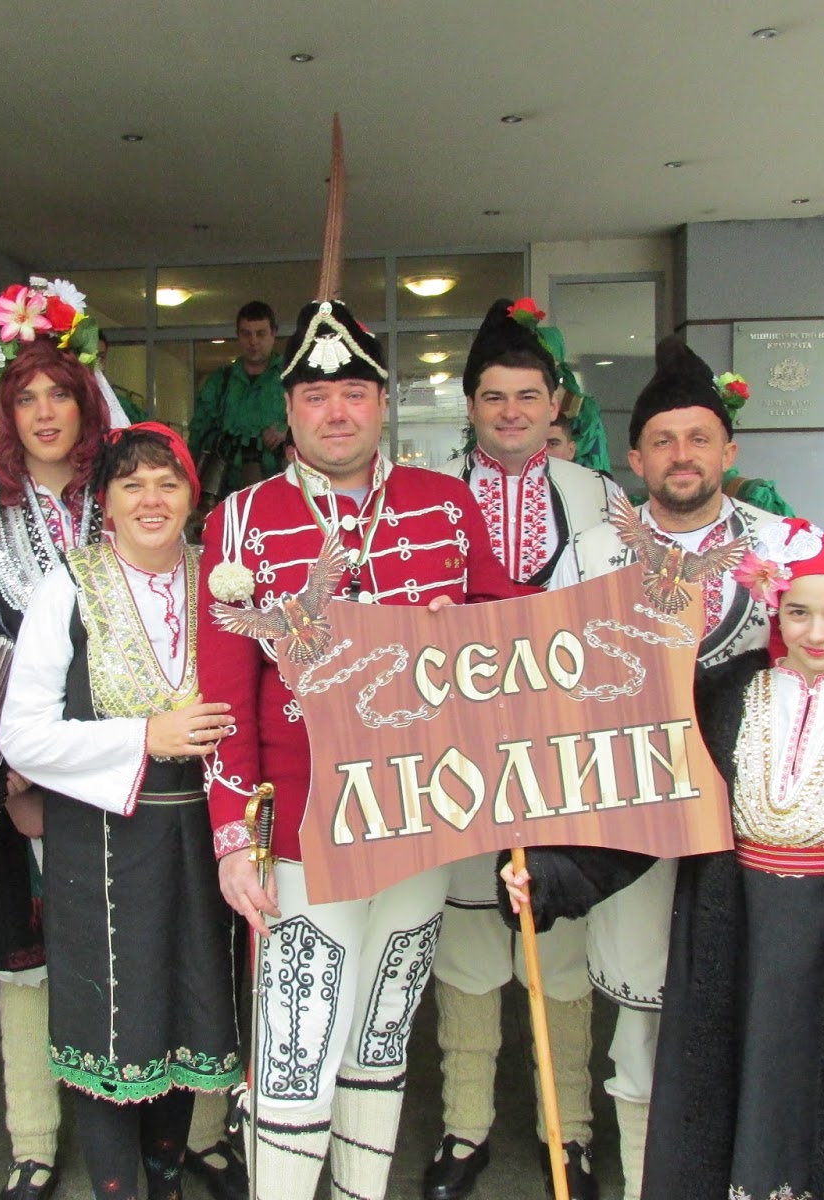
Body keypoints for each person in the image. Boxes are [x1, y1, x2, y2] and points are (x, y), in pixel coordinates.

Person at [546, 336, 824, 1200]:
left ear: (729, 451)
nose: (682, 455)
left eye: (699, 438)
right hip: (638, 810)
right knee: (648, 1035)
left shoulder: (785, 545)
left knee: (755, 1035)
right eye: (663, 441)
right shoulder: (592, 550)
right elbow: (543, 668)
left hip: (756, 833)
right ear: (635, 458)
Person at [499, 525, 824, 1200]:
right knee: (729, 1120)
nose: (817, 632)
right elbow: (651, 812)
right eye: (799, 611)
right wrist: (551, 876)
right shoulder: (719, 698)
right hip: (736, 947)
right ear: (775, 609)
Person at [199, 296, 532, 1200]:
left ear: (383, 403)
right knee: (295, 1053)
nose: (336, 412)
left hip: (424, 821)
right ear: (289, 410)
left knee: (381, 1042)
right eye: (316, 397)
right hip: (301, 833)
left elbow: (515, 635)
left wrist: (468, 626)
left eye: (353, 393)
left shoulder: (448, 505)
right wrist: (233, 839)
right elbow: (224, 697)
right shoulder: (239, 520)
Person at [0, 423, 241, 1200]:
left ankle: (165, 1182)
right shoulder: (67, 586)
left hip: (203, 837)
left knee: (187, 1013)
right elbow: (21, 736)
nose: (150, 499)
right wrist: (146, 736)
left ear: (192, 497)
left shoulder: (223, 582)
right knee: (112, 1024)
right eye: (131, 484)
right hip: (101, 840)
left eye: (168, 483)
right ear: (103, 500)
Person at [428, 299, 624, 1200]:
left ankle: (566, 1131)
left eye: (528, 396)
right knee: (468, 937)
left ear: (557, 407)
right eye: (495, 396)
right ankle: (463, 1128)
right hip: (455, 752)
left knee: (561, 941)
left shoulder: (601, 499)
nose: (512, 412)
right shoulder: (425, 495)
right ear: (470, 405)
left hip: (562, 754)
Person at [0, 277, 126, 1200]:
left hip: (134, 770)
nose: (46, 412)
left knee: (146, 943)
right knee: (27, 962)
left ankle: (184, 1126)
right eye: (26, 398)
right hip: (29, 786)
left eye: (61, 392)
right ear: (4, 415)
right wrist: (12, 785)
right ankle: (33, 1138)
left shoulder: (128, 496)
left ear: (89, 401)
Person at [188, 300, 286, 506]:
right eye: (246, 334)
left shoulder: (292, 380)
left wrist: (288, 431)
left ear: (274, 333)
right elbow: (198, 435)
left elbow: (317, 425)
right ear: (238, 335)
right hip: (223, 491)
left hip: (283, 489)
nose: (253, 341)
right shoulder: (220, 382)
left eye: (261, 333)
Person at [98, 332, 149, 423]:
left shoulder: (123, 408)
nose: (96, 364)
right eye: (88, 357)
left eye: (101, 357)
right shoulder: (72, 406)